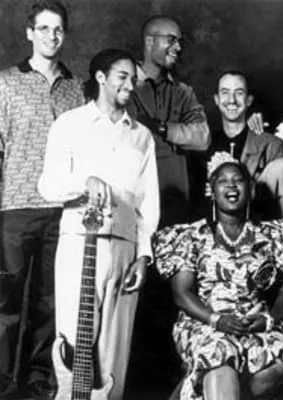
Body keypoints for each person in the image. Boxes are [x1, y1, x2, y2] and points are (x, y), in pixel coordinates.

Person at [38, 48, 159, 400]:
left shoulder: (142, 136)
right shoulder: (69, 124)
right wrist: (84, 181)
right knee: (74, 345)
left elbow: (148, 204)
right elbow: (48, 185)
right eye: (122, 77)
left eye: (133, 79)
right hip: (79, 243)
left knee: (113, 355)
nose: (130, 85)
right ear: (101, 77)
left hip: (124, 248)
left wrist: (143, 256)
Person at [153, 152, 283, 400]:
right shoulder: (192, 236)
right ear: (211, 191)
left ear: (250, 189)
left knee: (276, 368)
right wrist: (216, 320)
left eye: (238, 180)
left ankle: (198, 390)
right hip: (205, 321)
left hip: (256, 322)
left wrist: (269, 320)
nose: (231, 186)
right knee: (220, 360)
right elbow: (181, 293)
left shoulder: (272, 235)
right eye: (223, 181)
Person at [0, 1, 84, 398]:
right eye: (44, 28)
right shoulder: (6, 83)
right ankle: (3, 383)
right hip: (14, 207)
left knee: (50, 302)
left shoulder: (76, 87)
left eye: (58, 29)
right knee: (6, 303)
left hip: (63, 212)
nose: (52, 36)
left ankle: (38, 382)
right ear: (29, 33)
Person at [127, 15, 210, 228]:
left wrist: (161, 128)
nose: (178, 48)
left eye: (179, 42)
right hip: (133, 200)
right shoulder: (124, 86)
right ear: (149, 41)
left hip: (175, 205)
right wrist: (180, 134)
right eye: (171, 40)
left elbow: (202, 137)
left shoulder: (183, 92)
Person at [208, 69, 283, 180]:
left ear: (249, 100)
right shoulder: (204, 145)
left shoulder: (271, 146)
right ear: (216, 99)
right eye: (225, 92)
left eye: (239, 93)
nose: (232, 100)